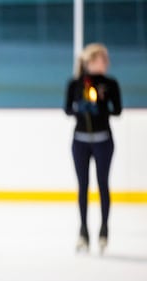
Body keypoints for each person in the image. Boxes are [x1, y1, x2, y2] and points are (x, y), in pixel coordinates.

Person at [64, 43, 122, 254]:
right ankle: (83, 231)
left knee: (103, 184)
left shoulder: (110, 83)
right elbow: (67, 109)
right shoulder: (75, 84)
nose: (104, 63)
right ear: (89, 62)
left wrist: (102, 107)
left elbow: (118, 110)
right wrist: (80, 108)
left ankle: (104, 229)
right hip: (80, 141)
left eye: (105, 60)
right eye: (100, 59)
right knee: (83, 186)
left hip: (103, 140)